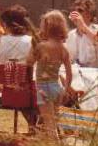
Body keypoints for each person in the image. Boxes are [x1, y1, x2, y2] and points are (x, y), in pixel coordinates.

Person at [27, 10, 74, 138]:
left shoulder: (41, 46)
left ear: (45, 27)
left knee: (50, 125)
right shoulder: (64, 49)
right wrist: (66, 89)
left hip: (43, 88)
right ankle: (47, 144)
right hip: (57, 88)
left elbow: (29, 62)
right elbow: (69, 73)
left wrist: (33, 45)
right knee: (53, 119)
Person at [66, 0, 98, 70]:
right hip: (78, 78)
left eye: (80, 10)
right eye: (74, 10)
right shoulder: (70, 35)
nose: (76, 13)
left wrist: (83, 26)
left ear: (89, 15)